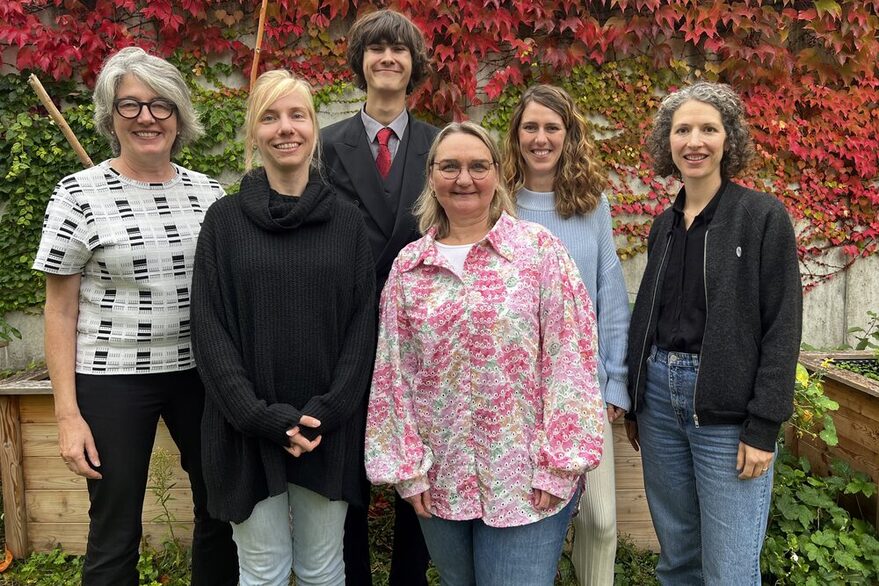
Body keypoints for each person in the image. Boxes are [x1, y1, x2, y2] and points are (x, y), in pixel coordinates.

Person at [365, 121, 606, 586]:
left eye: (478, 166)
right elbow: (393, 376)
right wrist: (408, 472)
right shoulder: (410, 267)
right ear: (432, 176)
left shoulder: (539, 252)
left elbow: (570, 360)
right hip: (442, 479)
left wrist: (560, 466)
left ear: (497, 173)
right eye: (449, 166)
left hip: (527, 480)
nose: (464, 179)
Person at [32, 46, 238, 586]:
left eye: (160, 104)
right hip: (111, 377)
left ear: (179, 115)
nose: (147, 116)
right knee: (115, 523)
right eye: (130, 105)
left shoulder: (209, 195)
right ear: (110, 116)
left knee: (221, 508)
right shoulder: (77, 194)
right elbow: (58, 309)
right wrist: (67, 415)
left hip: (201, 374)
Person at [190, 69, 375, 586]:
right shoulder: (223, 223)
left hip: (327, 431)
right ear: (254, 132)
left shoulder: (347, 222)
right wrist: (258, 416)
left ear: (314, 127)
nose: (284, 127)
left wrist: (327, 411)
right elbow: (209, 330)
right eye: (269, 117)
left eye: (297, 114)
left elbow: (365, 328)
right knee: (264, 571)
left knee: (321, 569)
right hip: (245, 430)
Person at [625, 82, 802, 585]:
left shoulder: (762, 218)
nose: (694, 141)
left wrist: (764, 424)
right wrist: (638, 398)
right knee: (678, 558)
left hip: (726, 412)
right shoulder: (663, 224)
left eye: (708, 128)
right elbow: (648, 314)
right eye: (683, 130)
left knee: (728, 569)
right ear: (669, 142)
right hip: (659, 403)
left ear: (729, 140)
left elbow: (782, 327)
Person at [320, 9, 438, 585]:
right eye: (376, 48)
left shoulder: (443, 147)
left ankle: (411, 578)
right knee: (350, 468)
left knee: (418, 458)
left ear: (414, 65)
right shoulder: (324, 145)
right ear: (360, 62)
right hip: (348, 331)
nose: (387, 57)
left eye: (400, 49)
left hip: (425, 333)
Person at [503, 84, 630, 586]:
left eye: (551, 127)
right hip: (513, 391)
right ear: (515, 135)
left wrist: (614, 382)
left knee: (599, 519)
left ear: (568, 135)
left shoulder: (591, 207)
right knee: (528, 511)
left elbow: (611, 299)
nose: (540, 138)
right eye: (530, 127)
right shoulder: (498, 203)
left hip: (579, 387)